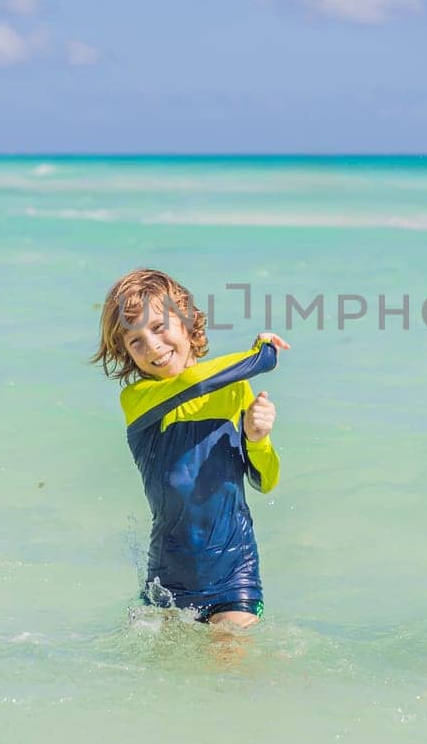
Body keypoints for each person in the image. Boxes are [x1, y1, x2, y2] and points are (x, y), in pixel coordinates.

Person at [91, 268, 290, 629]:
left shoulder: (234, 389)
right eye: (135, 341)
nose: (151, 345)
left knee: (227, 666)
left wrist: (258, 440)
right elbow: (195, 381)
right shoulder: (138, 400)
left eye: (158, 327)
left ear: (187, 321)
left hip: (234, 575)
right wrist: (263, 357)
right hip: (168, 580)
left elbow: (266, 481)